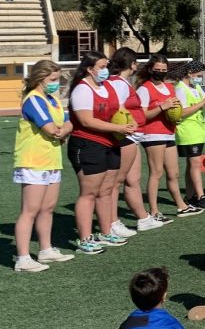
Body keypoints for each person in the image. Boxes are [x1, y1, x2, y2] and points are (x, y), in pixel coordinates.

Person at [68, 51, 135, 254]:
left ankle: (106, 232)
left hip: (110, 143)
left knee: (106, 191)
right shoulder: (82, 89)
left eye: (106, 66)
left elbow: (119, 109)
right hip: (88, 145)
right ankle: (85, 239)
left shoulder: (108, 86)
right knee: (89, 193)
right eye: (102, 67)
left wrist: (129, 121)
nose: (106, 70)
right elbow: (86, 121)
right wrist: (118, 128)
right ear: (90, 69)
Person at [12, 60, 75, 271]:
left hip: (51, 160)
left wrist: (63, 129)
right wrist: (62, 130)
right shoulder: (34, 100)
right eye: (53, 79)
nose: (56, 83)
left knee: (47, 208)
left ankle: (46, 250)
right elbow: (52, 129)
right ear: (40, 78)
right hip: (33, 161)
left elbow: (68, 122)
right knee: (29, 211)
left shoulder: (53, 100)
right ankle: (22, 258)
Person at [108, 49, 165, 232]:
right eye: (135, 62)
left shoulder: (124, 82)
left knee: (133, 179)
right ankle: (112, 222)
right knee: (116, 181)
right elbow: (116, 109)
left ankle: (143, 218)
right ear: (132, 63)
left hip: (133, 136)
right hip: (125, 136)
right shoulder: (118, 83)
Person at [136, 55, 195, 218]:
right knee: (156, 173)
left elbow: (175, 110)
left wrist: (175, 114)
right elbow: (141, 116)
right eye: (157, 69)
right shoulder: (144, 89)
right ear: (150, 69)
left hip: (168, 133)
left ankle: (181, 206)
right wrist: (162, 107)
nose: (161, 72)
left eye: (164, 70)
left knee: (173, 173)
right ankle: (154, 211)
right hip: (152, 134)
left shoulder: (169, 87)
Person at [175, 59, 205, 211]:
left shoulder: (196, 87)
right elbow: (182, 112)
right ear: (190, 73)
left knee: (191, 164)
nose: (200, 78)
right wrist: (203, 103)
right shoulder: (180, 89)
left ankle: (190, 196)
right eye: (198, 75)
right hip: (188, 131)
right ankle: (200, 197)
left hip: (198, 130)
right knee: (195, 163)